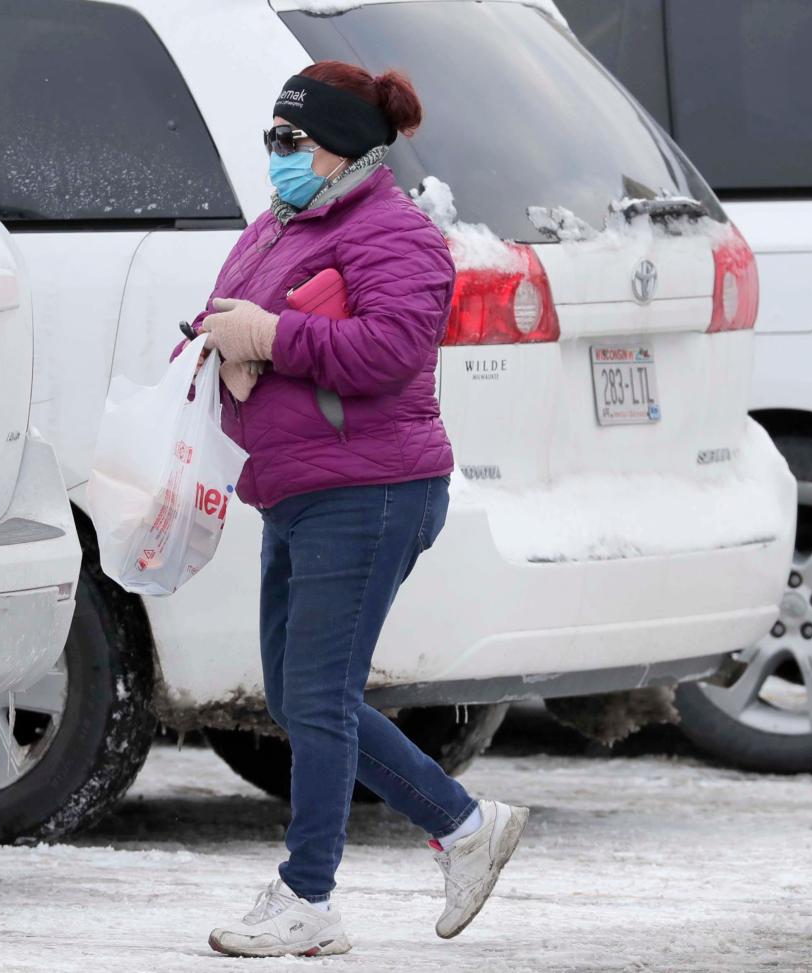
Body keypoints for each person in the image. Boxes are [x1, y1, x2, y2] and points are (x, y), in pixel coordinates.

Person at [182, 62, 530, 958]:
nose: (277, 156)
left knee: (320, 698)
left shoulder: (395, 231)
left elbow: (390, 346)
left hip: (370, 490)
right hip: (297, 487)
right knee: (304, 701)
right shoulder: (285, 224)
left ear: (342, 146)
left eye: (292, 140)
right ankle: (463, 828)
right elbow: (240, 313)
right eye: (272, 138)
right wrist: (220, 341)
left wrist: (271, 339)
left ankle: (308, 898)